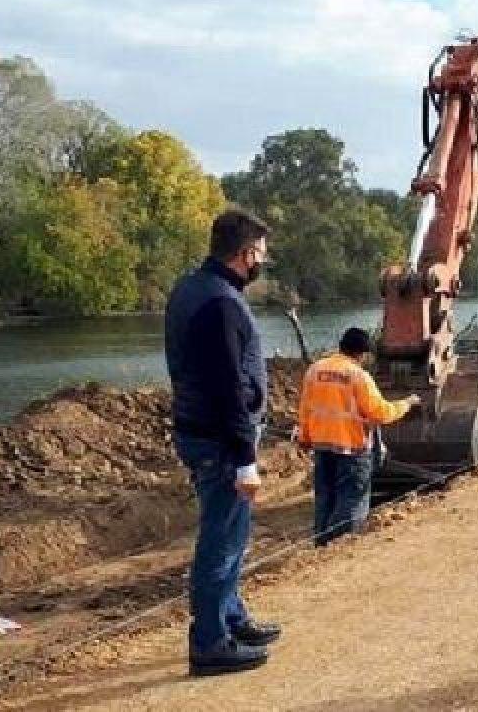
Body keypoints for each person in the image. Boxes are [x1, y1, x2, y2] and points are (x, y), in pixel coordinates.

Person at [165, 209, 279, 676]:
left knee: (231, 536)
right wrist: (245, 458)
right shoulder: (220, 303)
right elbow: (228, 387)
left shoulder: (193, 290)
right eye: (261, 256)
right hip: (219, 443)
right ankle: (211, 643)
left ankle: (231, 619)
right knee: (222, 541)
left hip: (204, 434)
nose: (262, 265)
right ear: (245, 254)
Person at [298, 327, 420, 545]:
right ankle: (340, 549)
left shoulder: (314, 370)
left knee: (325, 497)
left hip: (322, 447)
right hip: (352, 450)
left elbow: (306, 409)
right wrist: (407, 404)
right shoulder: (358, 376)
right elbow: (380, 412)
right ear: (362, 354)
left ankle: (320, 547)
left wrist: (305, 438)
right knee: (352, 501)